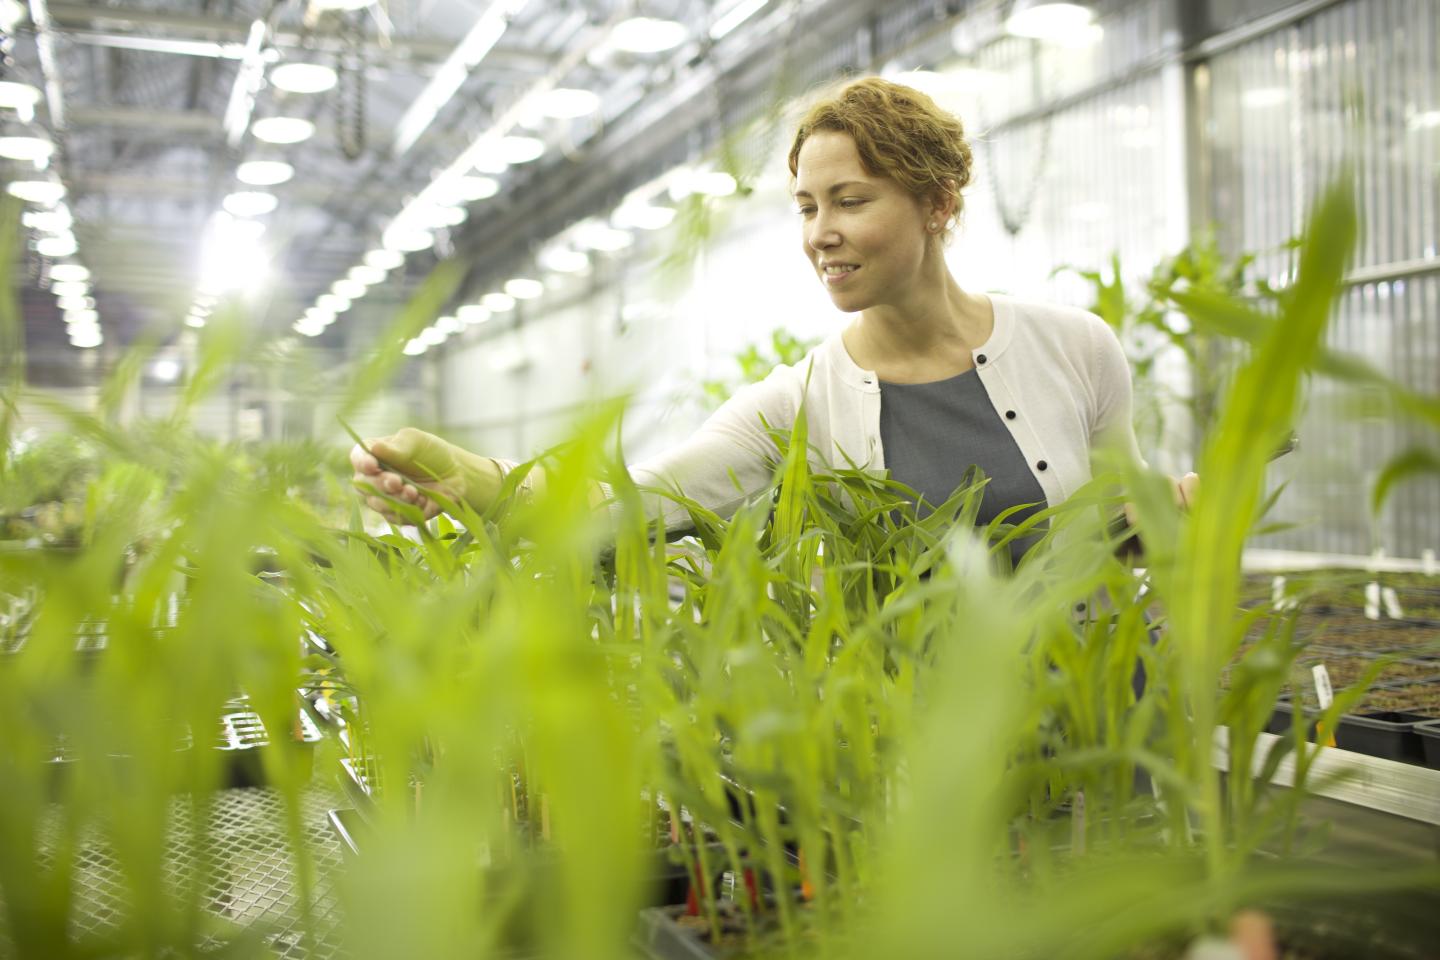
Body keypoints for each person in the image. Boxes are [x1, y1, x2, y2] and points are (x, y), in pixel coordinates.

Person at [352, 77, 1197, 550]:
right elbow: (624, 503)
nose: (821, 234)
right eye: (804, 207)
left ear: (938, 204)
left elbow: (1117, 531)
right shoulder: (799, 407)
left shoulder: (1076, 349)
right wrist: (465, 480)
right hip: (918, 770)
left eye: (849, 200)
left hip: (1095, 749)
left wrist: (1166, 515)